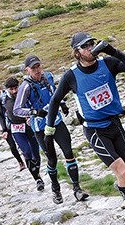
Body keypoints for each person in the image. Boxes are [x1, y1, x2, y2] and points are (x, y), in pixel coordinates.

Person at [44, 32, 125, 225]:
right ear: (77, 52)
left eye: (92, 44)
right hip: (94, 129)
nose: (91, 48)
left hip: (115, 125)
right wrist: (49, 129)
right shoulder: (71, 76)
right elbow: (55, 100)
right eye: (85, 46)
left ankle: (123, 186)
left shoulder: (108, 64)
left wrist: (112, 51)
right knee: (122, 171)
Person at [13, 55, 89, 204]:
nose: (37, 70)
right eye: (33, 68)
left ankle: (77, 189)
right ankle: (56, 189)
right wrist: (34, 112)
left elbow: (55, 93)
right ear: (27, 70)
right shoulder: (25, 86)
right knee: (52, 159)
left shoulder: (47, 77)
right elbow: (17, 109)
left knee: (68, 152)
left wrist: (62, 104)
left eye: (38, 66)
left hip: (56, 120)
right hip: (40, 126)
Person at [0, 77, 45, 188]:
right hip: (16, 128)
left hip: (29, 126)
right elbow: (0, 115)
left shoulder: (25, 93)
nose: (14, 91)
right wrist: (4, 129)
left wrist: (32, 117)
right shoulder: (3, 99)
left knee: (36, 154)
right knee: (27, 152)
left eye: (16, 88)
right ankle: (37, 179)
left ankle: (36, 172)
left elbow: (33, 106)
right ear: (7, 89)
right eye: (11, 89)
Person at [0, 81, 25, 171]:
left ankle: (28, 157)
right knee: (12, 145)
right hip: (3, 123)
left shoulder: (6, 94)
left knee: (21, 141)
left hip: (14, 120)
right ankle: (20, 162)